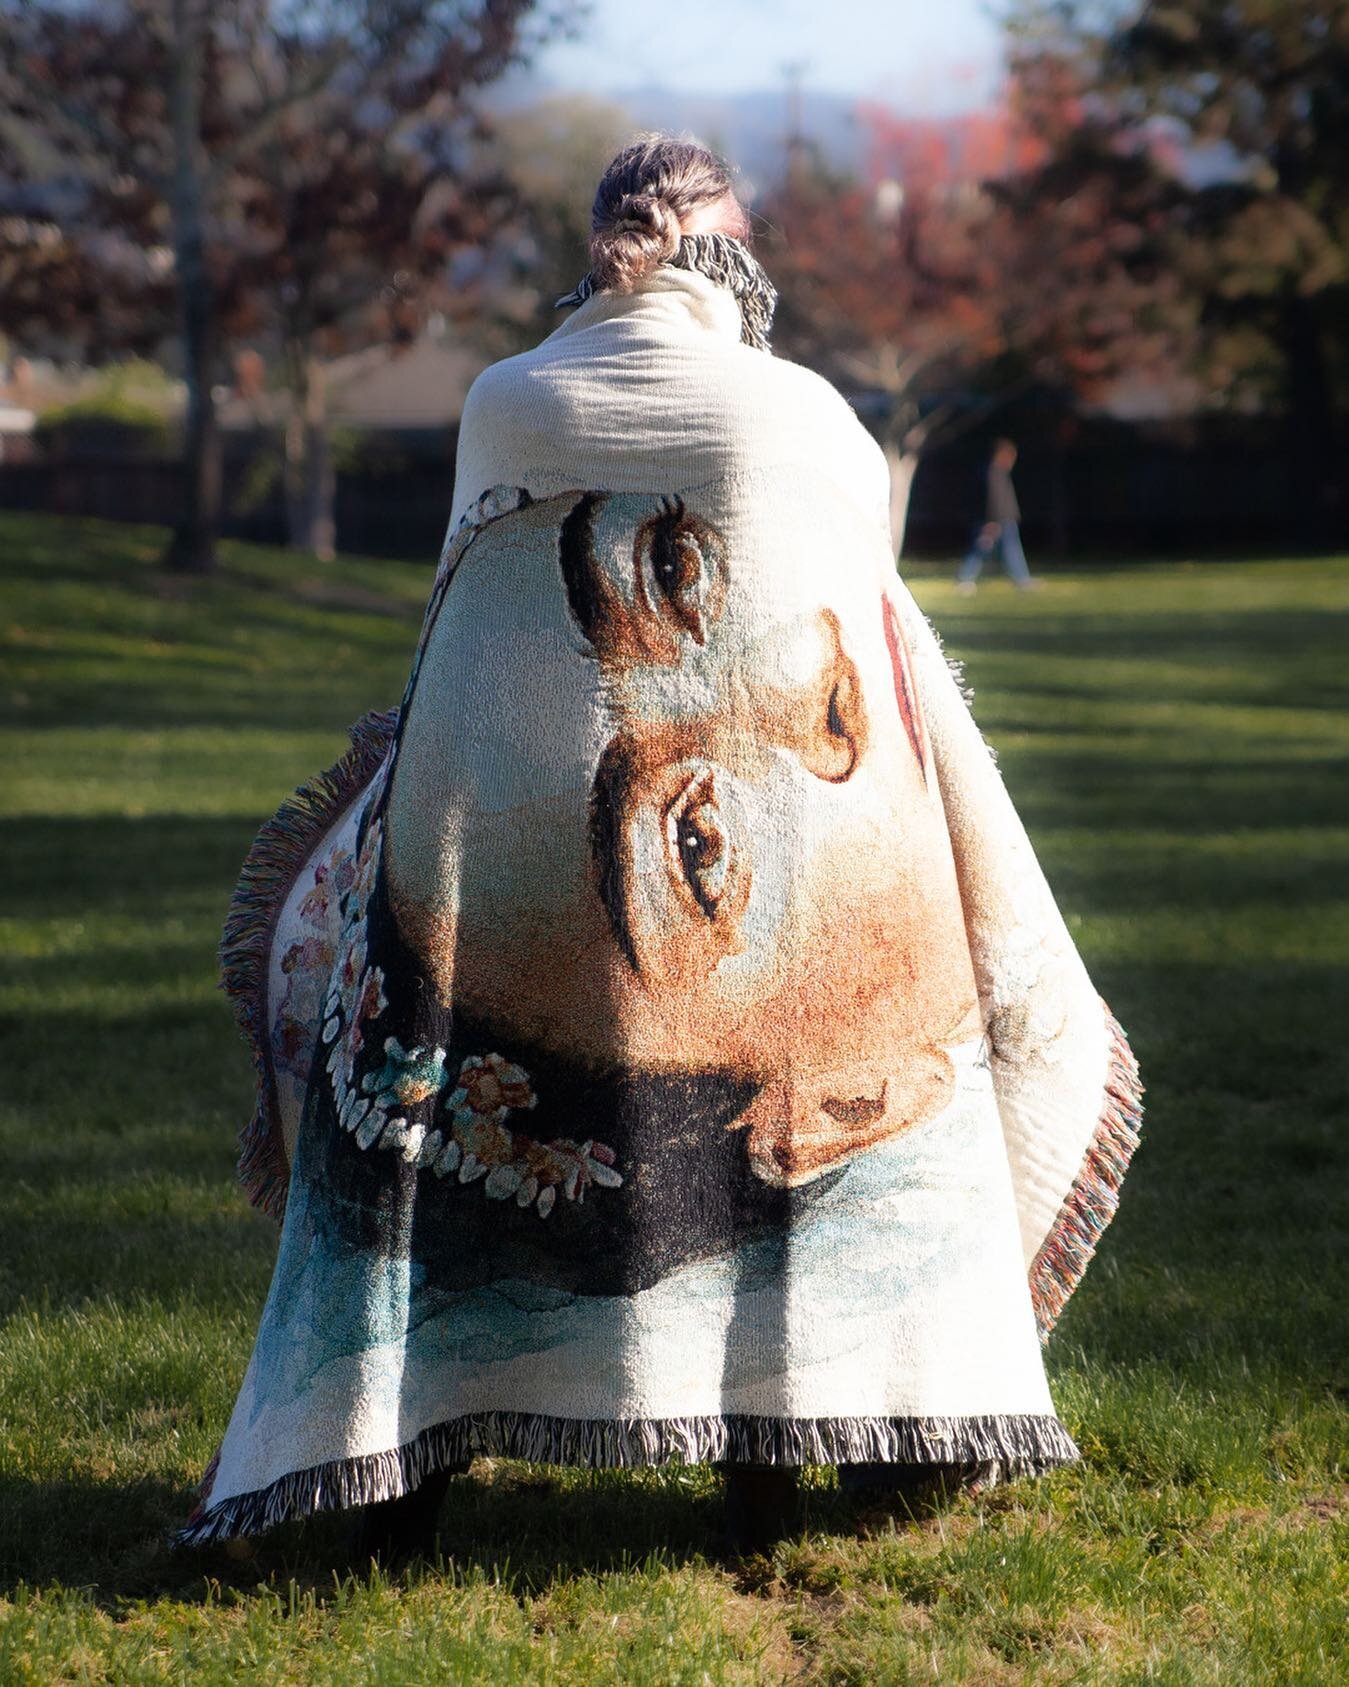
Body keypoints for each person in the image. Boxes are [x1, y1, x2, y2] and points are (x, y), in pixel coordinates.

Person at [183, 138, 1141, 1564]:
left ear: (599, 251)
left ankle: (398, 1460)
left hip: (470, 911)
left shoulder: (501, 406)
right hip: (739, 932)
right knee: (812, 980)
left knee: (444, 1041)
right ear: (732, 256)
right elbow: (879, 663)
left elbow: (465, 668)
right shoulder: (802, 417)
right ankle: (824, 1444)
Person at [957, 439, 1041, 592]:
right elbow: (993, 499)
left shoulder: (999, 472)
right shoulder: (992, 472)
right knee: (980, 549)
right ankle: (965, 578)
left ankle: (1022, 579)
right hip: (997, 520)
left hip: (1006, 520)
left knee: (1012, 551)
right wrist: (992, 521)